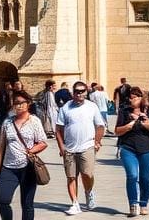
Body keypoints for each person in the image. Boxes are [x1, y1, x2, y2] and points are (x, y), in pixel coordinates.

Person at [0, 89, 48, 220]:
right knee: (3, 200)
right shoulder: (7, 122)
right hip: (9, 168)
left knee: (27, 205)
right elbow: (1, 147)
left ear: (28, 104)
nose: (19, 105)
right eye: (16, 103)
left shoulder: (34, 121)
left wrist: (31, 151)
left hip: (28, 168)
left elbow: (43, 143)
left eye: (22, 103)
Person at [55, 81, 105, 215]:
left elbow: (100, 126)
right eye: (77, 91)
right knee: (71, 177)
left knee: (87, 174)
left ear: (86, 92)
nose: (79, 94)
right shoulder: (65, 108)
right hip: (69, 148)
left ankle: (88, 192)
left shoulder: (92, 107)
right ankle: (75, 203)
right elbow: (58, 129)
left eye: (82, 91)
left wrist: (97, 142)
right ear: (73, 92)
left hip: (87, 146)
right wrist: (61, 147)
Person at [115, 86, 149, 217]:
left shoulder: (148, 110)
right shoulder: (124, 111)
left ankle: (143, 203)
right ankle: (133, 204)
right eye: (131, 97)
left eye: (135, 97)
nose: (132, 99)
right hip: (128, 148)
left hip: (147, 149)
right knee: (132, 175)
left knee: (145, 178)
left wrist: (144, 119)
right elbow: (117, 130)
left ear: (141, 98)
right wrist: (128, 126)